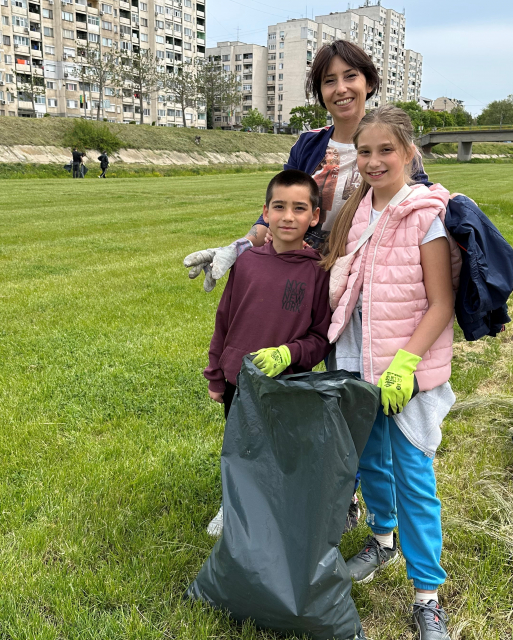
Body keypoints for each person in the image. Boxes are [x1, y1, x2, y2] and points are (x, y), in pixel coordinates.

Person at [323, 105, 460, 640]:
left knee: (415, 478)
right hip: (358, 365)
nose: (375, 161)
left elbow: (441, 302)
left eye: (386, 150)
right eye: (365, 151)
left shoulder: (427, 214)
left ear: (409, 153)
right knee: (371, 463)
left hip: (408, 374)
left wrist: (406, 364)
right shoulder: (359, 210)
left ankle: (427, 596)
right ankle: (383, 540)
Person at [183, 39, 430, 294]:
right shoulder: (308, 144)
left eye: (350, 76)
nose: (341, 88)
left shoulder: (393, 146)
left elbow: (423, 205)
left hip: (369, 284)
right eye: (329, 80)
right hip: (306, 279)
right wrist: (238, 247)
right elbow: (280, 208)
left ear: (368, 82)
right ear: (320, 91)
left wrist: (458, 206)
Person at [203, 169, 333, 536]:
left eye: (299, 208)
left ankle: (277, 508)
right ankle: (233, 505)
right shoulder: (246, 263)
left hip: (284, 384)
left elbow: (321, 337)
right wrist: (216, 373)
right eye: (279, 207)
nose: (288, 217)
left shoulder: (319, 271)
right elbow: (224, 321)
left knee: (277, 450)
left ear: (315, 216)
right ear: (266, 212)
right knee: (239, 445)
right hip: (238, 379)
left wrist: (289, 354)